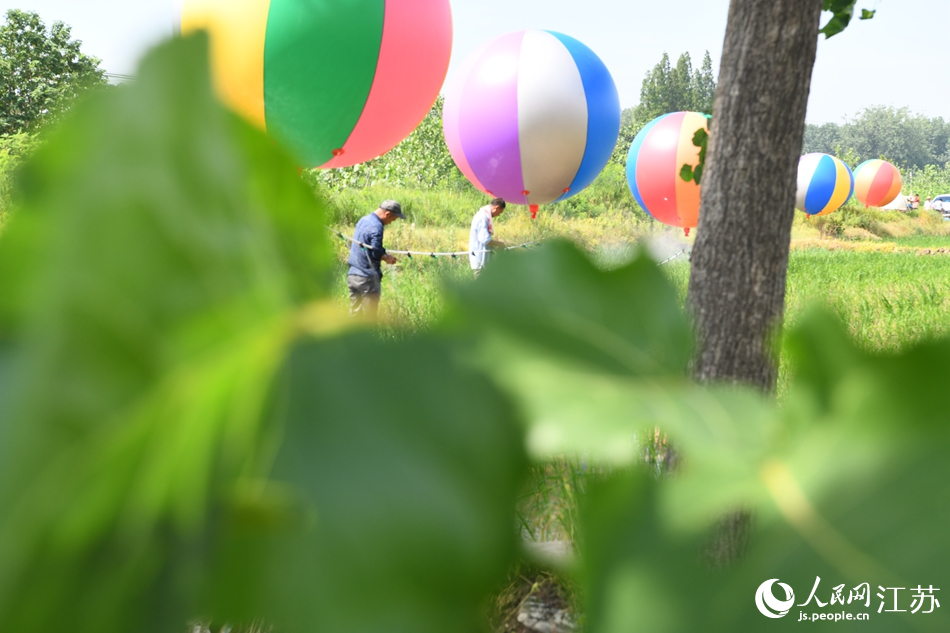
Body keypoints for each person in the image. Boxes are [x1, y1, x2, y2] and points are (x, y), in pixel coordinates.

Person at [347, 199, 405, 317]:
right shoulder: (377, 226)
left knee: (355, 316)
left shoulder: (363, 220)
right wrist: (386, 258)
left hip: (353, 275)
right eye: (392, 219)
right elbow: (376, 251)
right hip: (367, 278)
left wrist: (384, 254)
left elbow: (369, 246)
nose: (390, 223)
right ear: (387, 214)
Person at [469, 197, 506, 278]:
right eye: (500, 212)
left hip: (484, 258)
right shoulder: (482, 217)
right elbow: (485, 240)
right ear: (496, 208)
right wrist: (500, 244)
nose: (499, 215)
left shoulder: (484, 215)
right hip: (480, 258)